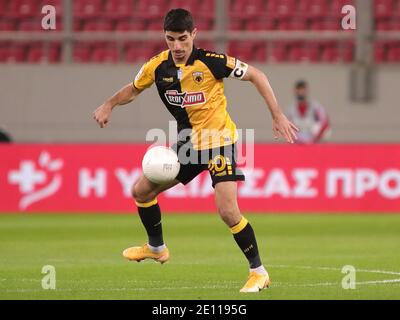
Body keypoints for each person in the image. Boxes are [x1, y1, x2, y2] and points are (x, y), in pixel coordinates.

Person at [93, 9, 298, 293]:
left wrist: (277, 115)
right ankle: (156, 248)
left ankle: (259, 272)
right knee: (141, 192)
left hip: (219, 141)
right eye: (170, 39)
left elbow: (257, 75)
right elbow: (134, 88)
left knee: (227, 211)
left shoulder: (212, 62)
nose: (177, 46)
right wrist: (109, 104)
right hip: (188, 145)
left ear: (194, 35)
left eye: (182, 39)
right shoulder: (156, 66)